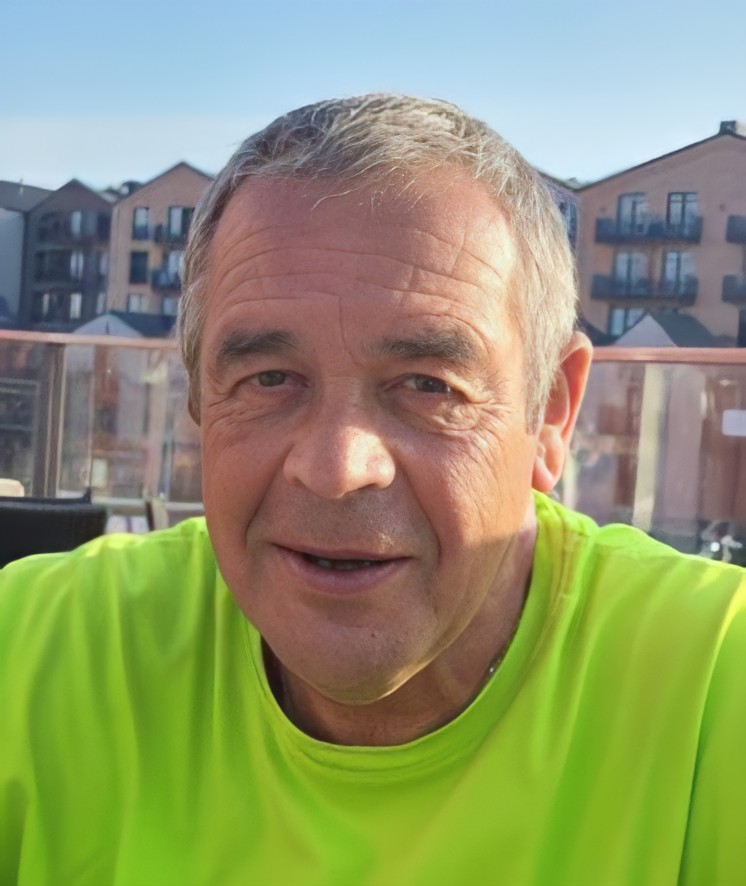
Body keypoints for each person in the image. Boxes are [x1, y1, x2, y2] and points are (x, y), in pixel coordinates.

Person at [1, 94, 744, 885]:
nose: (336, 468)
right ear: (199, 404)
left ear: (551, 412)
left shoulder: (713, 682)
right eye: (269, 378)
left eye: (428, 384)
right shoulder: (38, 652)